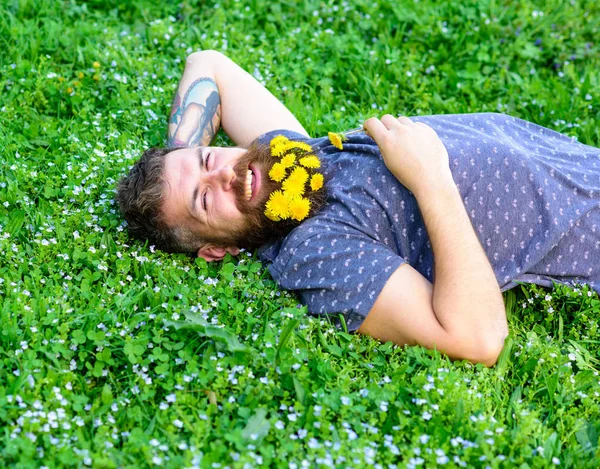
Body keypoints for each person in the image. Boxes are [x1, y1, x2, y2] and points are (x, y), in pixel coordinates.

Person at [117, 50, 600, 367]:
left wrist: (179, 162)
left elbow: (209, 65)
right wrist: (431, 178)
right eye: (206, 200)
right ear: (216, 250)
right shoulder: (313, 249)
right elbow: (477, 339)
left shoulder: (280, 160)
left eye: (210, 159)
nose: (224, 175)